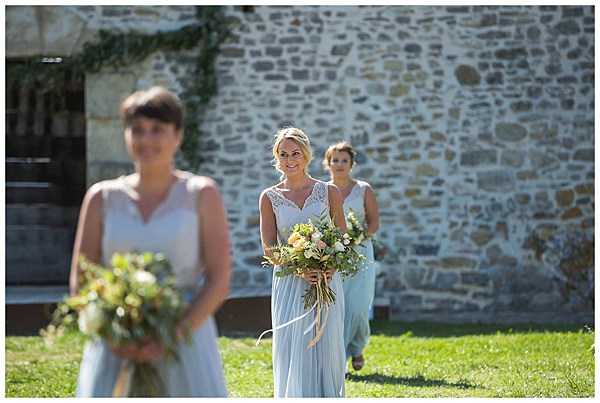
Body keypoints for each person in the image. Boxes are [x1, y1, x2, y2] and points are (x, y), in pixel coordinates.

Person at [70, 86, 230, 397]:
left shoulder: (201, 194)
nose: (146, 139)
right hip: (116, 343)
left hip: (185, 341)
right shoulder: (101, 198)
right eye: (137, 129)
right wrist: (115, 337)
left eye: (158, 129)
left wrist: (170, 336)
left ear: (178, 135)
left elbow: (220, 278)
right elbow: (82, 279)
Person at [259, 127, 347, 397]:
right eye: (283, 154)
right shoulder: (269, 197)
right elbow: (270, 248)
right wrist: (298, 268)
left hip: (327, 281)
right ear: (277, 158)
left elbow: (342, 237)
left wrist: (331, 263)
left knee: (327, 346)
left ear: (306, 155)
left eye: (295, 153)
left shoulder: (328, 191)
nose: (290, 159)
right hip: (289, 282)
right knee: (293, 346)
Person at [323, 141, 380, 372]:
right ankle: (339, 359)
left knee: (358, 307)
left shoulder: (363, 189)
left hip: (361, 254)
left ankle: (357, 346)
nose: (339, 164)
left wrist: (358, 237)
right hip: (335, 255)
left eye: (344, 160)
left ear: (351, 164)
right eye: (335, 160)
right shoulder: (322, 190)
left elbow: (374, 222)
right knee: (336, 306)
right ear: (328, 163)